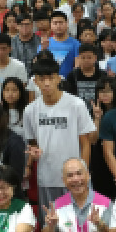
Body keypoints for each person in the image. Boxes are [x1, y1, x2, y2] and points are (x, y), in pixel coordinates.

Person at [23, 57, 96, 210]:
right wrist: (33, 154)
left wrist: (83, 174)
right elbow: (33, 144)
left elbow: (85, 143)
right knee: (51, 221)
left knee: (80, 220)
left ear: (58, 78)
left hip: (75, 177)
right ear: (35, 82)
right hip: (47, 177)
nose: (46, 83)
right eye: (42, 79)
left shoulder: (76, 104)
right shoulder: (30, 110)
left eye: (51, 78)